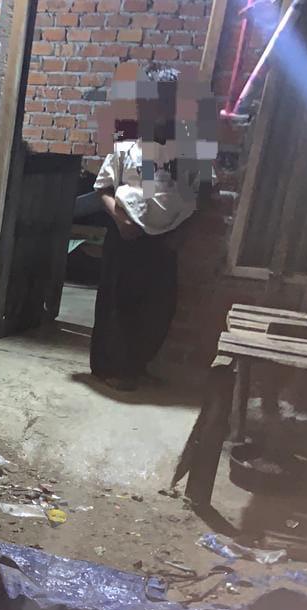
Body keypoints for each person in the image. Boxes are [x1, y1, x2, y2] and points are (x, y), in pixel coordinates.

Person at [91, 63, 205, 391]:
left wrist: (179, 237)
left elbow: (197, 200)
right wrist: (121, 221)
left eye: (162, 103)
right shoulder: (126, 146)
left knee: (157, 308)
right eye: (147, 102)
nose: (153, 110)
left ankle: (136, 366)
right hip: (126, 238)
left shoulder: (187, 152)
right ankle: (110, 369)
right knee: (118, 305)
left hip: (163, 242)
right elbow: (103, 189)